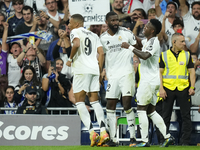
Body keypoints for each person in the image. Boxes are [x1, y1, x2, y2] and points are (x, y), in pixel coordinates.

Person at [121, 19, 174, 147]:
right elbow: (139, 43)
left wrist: (129, 47)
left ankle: (144, 141)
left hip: (148, 81)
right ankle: (167, 136)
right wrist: (129, 34)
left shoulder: (154, 42)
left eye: (147, 27)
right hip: (152, 80)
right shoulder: (148, 41)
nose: (144, 28)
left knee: (141, 110)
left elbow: (144, 55)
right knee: (151, 111)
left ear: (153, 30)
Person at [66, 14, 109, 147]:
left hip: (81, 70)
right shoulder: (94, 35)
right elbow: (101, 53)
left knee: (79, 101)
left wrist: (70, 59)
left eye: (70, 23)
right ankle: (103, 131)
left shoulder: (75, 32)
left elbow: (77, 44)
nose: (68, 25)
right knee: (95, 101)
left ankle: (92, 132)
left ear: (77, 24)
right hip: (94, 70)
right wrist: (100, 70)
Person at [100, 11, 137, 147]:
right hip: (112, 75)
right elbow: (101, 55)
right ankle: (113, 139)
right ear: (107, 22)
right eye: (113, 21)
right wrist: (101, 71)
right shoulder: (102, 38)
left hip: (127, 73)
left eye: (117, 20)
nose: (116, 23)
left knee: (127, 104)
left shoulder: (126, 33)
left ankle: (133, 137)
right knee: (110, 106)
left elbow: (136, 45)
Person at [159, 33, 196, 145]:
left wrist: (192, 87)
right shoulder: (164, 55)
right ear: (174, 42)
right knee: (165, 116)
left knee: (186, 116)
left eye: (184, 41)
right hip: (167, 88)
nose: (184, 44)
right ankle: (163, 140)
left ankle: (185, 141)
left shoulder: (187, 55)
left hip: (183, 88)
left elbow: (192, 71)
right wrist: (161, 88)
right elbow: (159, 73)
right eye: (182, 41)